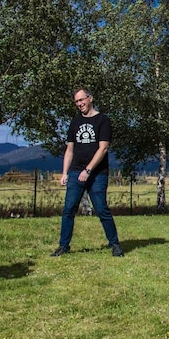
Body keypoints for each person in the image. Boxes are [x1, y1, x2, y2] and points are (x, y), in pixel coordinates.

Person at [52, 88, 124, 258]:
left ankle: (115, 244)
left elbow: (103, 148)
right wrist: (64, 173)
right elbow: (70, 149)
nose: (79, 104)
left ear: (90, 98)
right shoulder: (75, 122)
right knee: (68, 209)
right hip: (76, 172)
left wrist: (88, 169)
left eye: (81, 100)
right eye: (76, 102)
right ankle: (64, 246)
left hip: (97, 174)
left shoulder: (102, 120)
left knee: (101, 209)